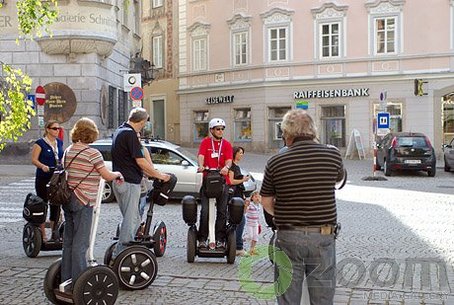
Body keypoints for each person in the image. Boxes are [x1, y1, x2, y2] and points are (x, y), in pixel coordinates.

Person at [260, 109, 344, 305]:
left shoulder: (276, 161)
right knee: (322, 297)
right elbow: (339, 179)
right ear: (313, 132)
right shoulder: (332, 155)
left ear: (287, 134)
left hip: (288, 237)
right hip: (323, 236)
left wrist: (280, 213)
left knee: (288, 298)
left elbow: (266, 201)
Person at [61, 117, 123, 285]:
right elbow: (106, 175)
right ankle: (79, 283)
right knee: (81, 244)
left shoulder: (68, 150)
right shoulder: (93, 153)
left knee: (68, 242)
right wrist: (117, 174)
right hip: (84, 200)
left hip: (68, 199)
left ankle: (65, 278)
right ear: (91, 134)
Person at [111, 107, 170, 257]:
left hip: (120, 181)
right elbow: (141, 161)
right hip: (129, 182)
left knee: (134, 219)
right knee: (131, 223)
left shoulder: (120, 130)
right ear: (143, 121)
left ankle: (123, 254)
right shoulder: (130, 134)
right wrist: (160, 176)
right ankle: (119, 256)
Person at [197, 118, 233, 248]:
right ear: (211, 130)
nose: (220, 131)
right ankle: (202, 239)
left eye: (222, 129)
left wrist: (226, 168)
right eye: (218, 129)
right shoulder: (206, 142)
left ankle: (220, 239)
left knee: (222, 212)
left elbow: (229, 160)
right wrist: (201, 165)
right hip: (208, 181)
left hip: (223, 182)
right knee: (205, 211)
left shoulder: (227, 144)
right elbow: (201, 156)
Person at [31, 120, 64, 241]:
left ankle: (54, 233)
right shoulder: (40, 143)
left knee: (56, 205)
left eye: (58, 129)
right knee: (43, 204)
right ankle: (43, 234)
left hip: (56, 178)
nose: (57, 131)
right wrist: (42, 166)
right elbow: (34, 160)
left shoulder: (59, 143)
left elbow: (61, 158)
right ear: (48, 129)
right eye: (55, 128)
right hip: (43, 178)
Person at [228, 146, 250, 256]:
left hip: (239, 196)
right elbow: (231, 181)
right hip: (234, 198)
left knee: (238, 221)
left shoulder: (236, 166)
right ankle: (238, 247)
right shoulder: (232, 166)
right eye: (240, 153)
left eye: (242, 153)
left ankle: (236, 244)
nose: (242, 155)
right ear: (235, 153)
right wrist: (243, 179)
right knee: (240, 221)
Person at [244, 191, 261, 256]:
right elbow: (245, 212)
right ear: (252, 198)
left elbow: (258, 215)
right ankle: (244, 238)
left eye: (258, 197)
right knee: (250, 236)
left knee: (255, 237)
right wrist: (246, 206)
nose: (257, 198)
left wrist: (259, 223)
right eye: (255, 197)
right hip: (249, 224)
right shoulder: (250, 204)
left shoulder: (258, 205)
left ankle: (252, 250)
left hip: (256, 224)